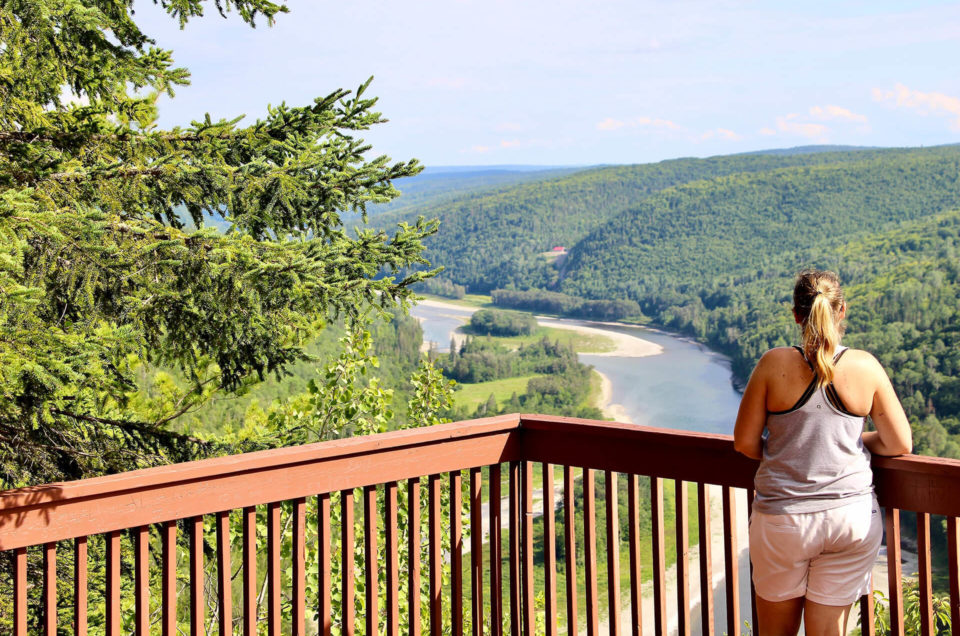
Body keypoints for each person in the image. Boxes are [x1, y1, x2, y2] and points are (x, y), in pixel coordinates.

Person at [733, 269, 912, 636]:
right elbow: (898, 444)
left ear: (796, 314)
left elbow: (745, 443)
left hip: (784, 520)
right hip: (851, 519)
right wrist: (849, 441)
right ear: (841, 310)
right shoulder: (865, 366)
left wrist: (790, 447)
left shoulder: (773, 364)